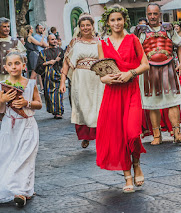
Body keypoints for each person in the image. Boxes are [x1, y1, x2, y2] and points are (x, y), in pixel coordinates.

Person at [96, 5, 149, 193]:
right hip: (112, 94)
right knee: (118, 135)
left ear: (124, 20)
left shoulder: (133, 39)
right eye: (113, 20)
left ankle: (136, 164)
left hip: (131, 90)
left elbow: (145, 64)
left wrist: (131, 73)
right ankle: (127, 177)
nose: (116, 23)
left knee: (132, 132)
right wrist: (105, 79)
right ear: (107, 23)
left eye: (119, 19)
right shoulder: (103, 44)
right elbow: (101, 73)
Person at [0, 50, 42, 207]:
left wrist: (27, 103)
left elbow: (39, 103)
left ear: (23, 65)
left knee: (25, 157)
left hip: (28, 125)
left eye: (17, 63)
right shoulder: (0, 85)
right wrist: (3, 99)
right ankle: (24, 189)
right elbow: (0, 109)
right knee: (8, 156)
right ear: (5, 67)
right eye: (10, 64)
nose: (13, 67)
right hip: (9, 126)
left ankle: (20, 192)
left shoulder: (31, 84)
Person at [134, 3, 181, 144]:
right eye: (150, 14)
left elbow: (178, 45)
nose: (152, 17)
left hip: (169, 68)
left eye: (155, 13)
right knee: (153, 104)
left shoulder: (169, 29)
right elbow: (137, 51)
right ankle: (157, 135)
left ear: (160, 14)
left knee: (173, 102)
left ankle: (177, 134)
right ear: (147, 15)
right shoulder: (140, 31)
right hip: (149, 71)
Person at [59, 13, 105, 148]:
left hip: (96, 78)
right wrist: (62, 82)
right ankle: (86, 136)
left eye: (88, 25)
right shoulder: (75, 42)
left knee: (97, 106)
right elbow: (66, 62)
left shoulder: (99, 41)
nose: (85, 28)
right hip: (80, 78)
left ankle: (99, 135)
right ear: (79, 27)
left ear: (92, 26)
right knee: (82, 107)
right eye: (82, 26)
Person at [0, 17, 26, 109]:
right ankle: (4, 122)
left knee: (14, 101)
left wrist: (16, 52)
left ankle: (13, 122)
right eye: (4, 27)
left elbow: (25, 59)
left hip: (12, 75)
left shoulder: (15, 42)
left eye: (8, 26)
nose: (7, 29)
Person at [36, 34, 64, 118]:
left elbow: (64, 62)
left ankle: (59, 112)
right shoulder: (43, 53)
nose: (54, 41)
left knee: (58, 93)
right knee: (50, 94)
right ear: (48, 41)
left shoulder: (60, 50)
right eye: (52, 39)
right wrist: (48, 62)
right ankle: (54, 110)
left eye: (55, 39)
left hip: (59, 75)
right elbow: (38, 66)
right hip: (48, 77)